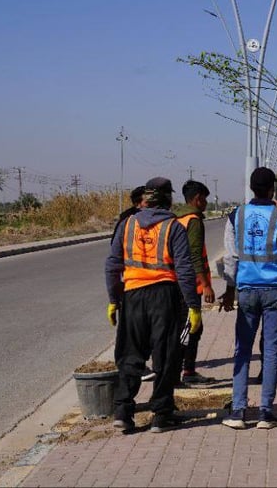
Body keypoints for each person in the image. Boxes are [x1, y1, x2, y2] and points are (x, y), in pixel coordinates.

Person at [105, 177, 201, 434]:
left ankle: (123, 412)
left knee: (130, 356)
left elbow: (113, 265)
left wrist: (114, 300)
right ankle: (161, 414)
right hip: (164, 297)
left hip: (133, 296)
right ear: (168, 199)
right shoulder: (174, 227)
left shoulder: (127, 225)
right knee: (166, 356)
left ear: (146, 199)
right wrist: (193, 306)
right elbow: (184, 270)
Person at [220, 167, 277, 430]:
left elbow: (230, 258)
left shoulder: (236, 216)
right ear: (271, 189)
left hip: (246, 291)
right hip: (276, 290)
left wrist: (231, 287)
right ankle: (266, 412)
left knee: (242, 350)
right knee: (271, 351)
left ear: (251, 188)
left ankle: (238, 411)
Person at [172, 180, 216, 385]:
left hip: (177, 282)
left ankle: (182, 371)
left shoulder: (177, 219)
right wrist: (206, 285)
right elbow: (195, 255)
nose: (206, 203)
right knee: (192, 328)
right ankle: (186, 372)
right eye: (205, 199)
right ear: (198, 199)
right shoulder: (194, 221)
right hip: (191, 284)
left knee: (185, 327)